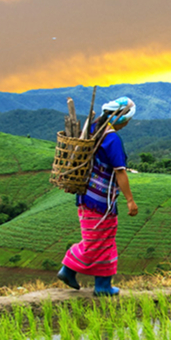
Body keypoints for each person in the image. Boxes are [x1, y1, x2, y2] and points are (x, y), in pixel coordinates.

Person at [57, 97, 138, 296]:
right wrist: (130, 199)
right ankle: (68, 269)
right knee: (96, 241)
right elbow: (120, 171)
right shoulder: (111, 139)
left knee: (105, 241)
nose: (127, 124)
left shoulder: (92, 129)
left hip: (86, 196)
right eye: (128, 119)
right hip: (100, 201)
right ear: (121, 119)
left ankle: (103, 286)